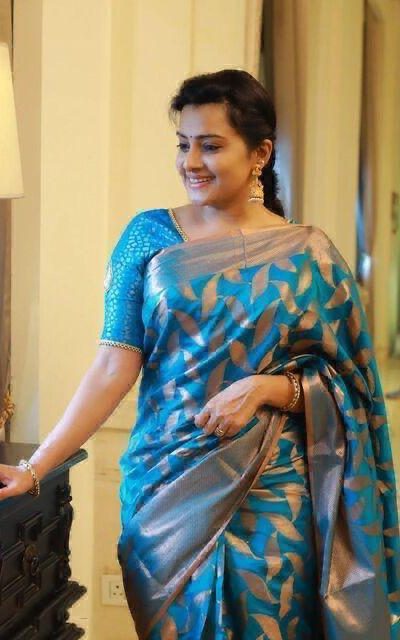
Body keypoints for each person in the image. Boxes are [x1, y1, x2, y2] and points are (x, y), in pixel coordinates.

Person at [0, 69, 399, 639]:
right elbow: (113, 366)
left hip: (274, 491)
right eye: (183, 144)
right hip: (165, 485)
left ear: (260, 153)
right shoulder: (148, 236)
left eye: (210, 145)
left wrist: (265, 388)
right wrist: (35, 467)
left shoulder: (308, 255)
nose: (191, 161)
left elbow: (351, 387)